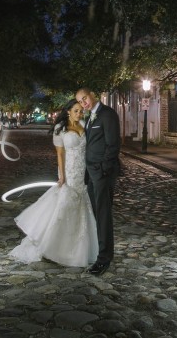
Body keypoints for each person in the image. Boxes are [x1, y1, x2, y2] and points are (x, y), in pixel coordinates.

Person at [9, 99, 99, 267]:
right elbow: (60, 154)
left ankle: (77, 249)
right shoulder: (60, 129)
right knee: (64, 206)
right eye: (76, 110)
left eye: (81, 111)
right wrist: (62, 175)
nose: (80, 113)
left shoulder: (84, 125)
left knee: (81, 207)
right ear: (68, 112)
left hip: (83, 172)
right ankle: (53, 247)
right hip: (70, 172)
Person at [75, 87, 120, 275]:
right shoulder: (90, 117)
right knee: (97, 215)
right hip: (91, 174)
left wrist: (103, 171)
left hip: (101, 174)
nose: (83, 103)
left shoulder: (107, 114)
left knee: (103, 216)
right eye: (80, 101)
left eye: (84, 98)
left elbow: (113, 145)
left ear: (92, 94)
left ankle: (104, 259)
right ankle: (100, 253)